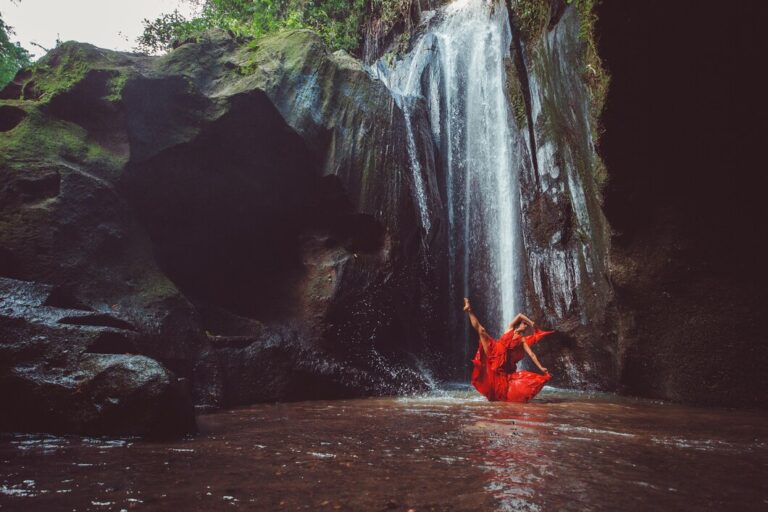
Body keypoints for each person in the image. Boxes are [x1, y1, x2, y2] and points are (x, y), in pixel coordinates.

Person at [463, 297, 554, 402]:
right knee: (482, 330)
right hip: (495, 349)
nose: (525, 325)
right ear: (518, 325)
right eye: (523, 323)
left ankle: (498, 400)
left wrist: (541, 367)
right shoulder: (510, 328)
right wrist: (531, 322)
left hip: (503, 361)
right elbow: (520, 315)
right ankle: (469, 310)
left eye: (526, 324)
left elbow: (532, 354)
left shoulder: (522, 340)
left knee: (501, 385)